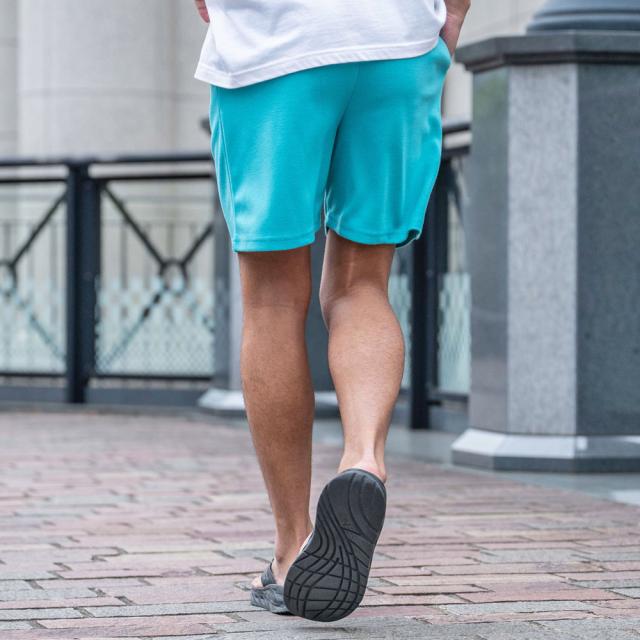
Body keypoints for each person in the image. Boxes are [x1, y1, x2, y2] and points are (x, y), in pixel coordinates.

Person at [193, 0, 470, 622]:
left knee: (272, 300)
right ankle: (363, 458)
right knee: (360, 284)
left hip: (274, 50)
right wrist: (449, 14)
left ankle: (292, 548)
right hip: (397, 46)